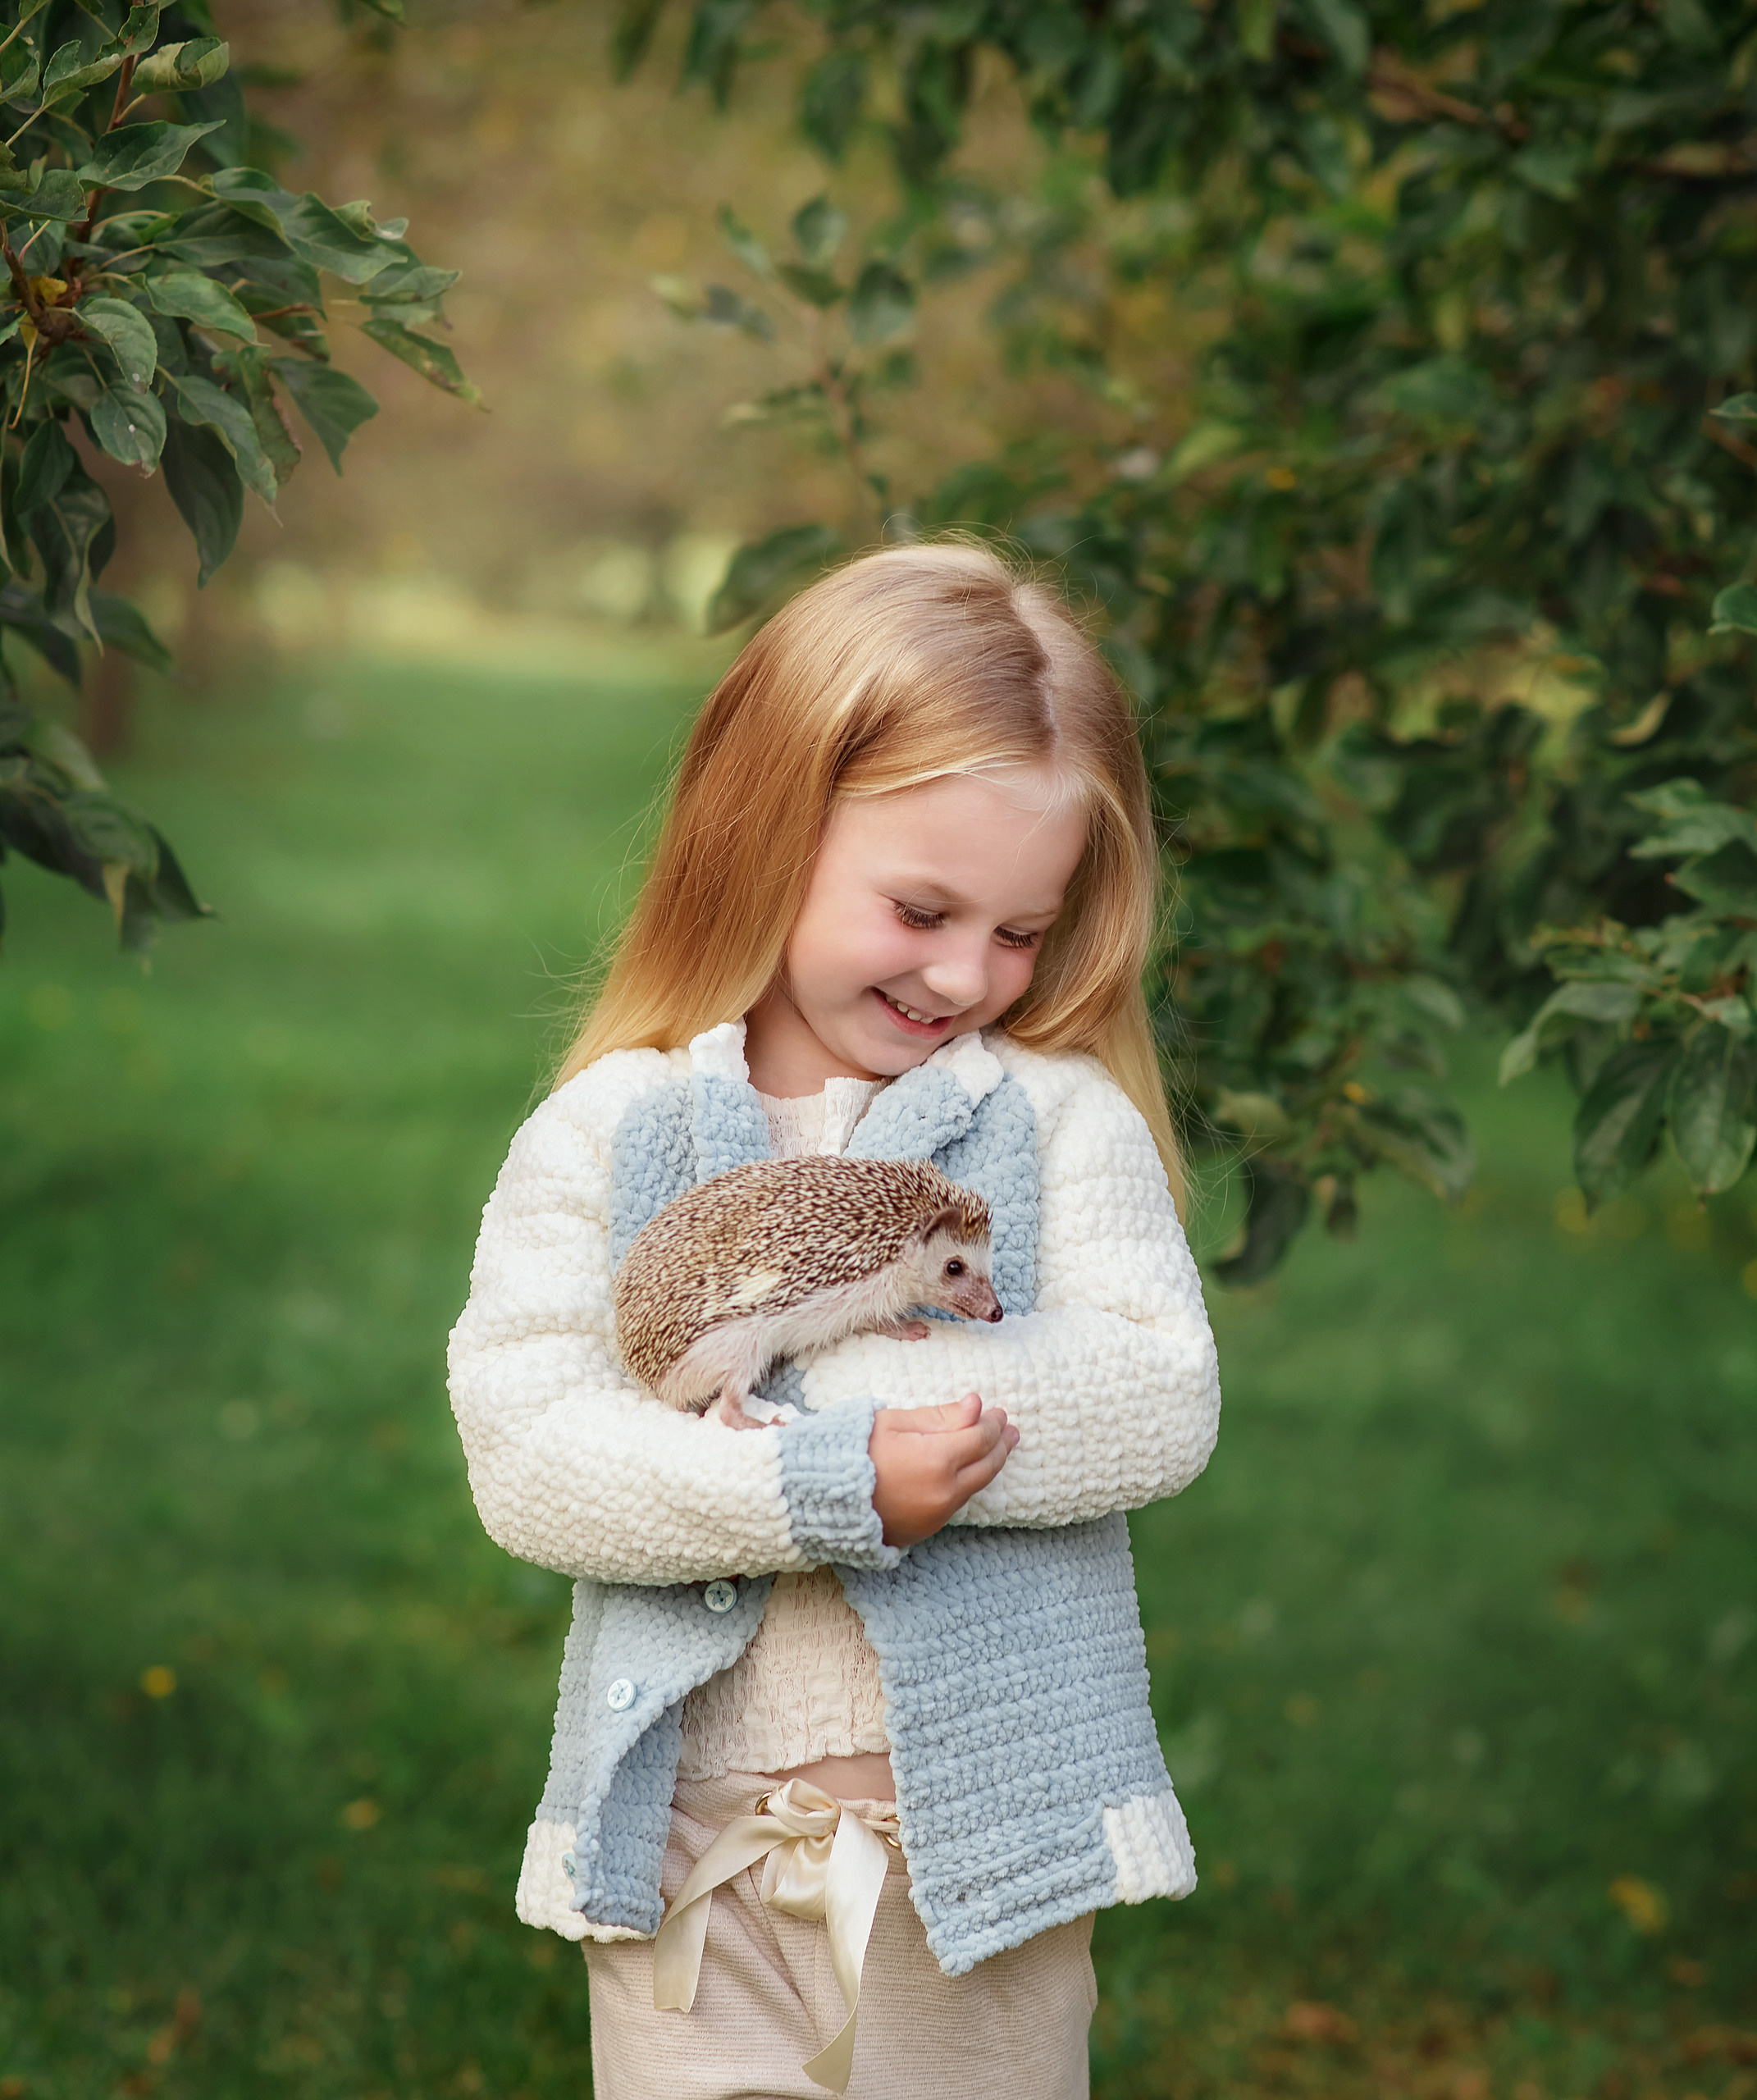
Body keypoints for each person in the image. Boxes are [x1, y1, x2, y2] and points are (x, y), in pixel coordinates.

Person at [447, 539, 1221, 2099]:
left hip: (977, 1858)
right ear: (767, 830)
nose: (966, 973)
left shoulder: (1052, 1121)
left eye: (1020, 930)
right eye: (921, 907)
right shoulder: (611, 1132)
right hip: (689, 1856)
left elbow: (1155, 1390)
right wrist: (816, 1482)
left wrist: (845, 1390)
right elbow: (532, 1452)